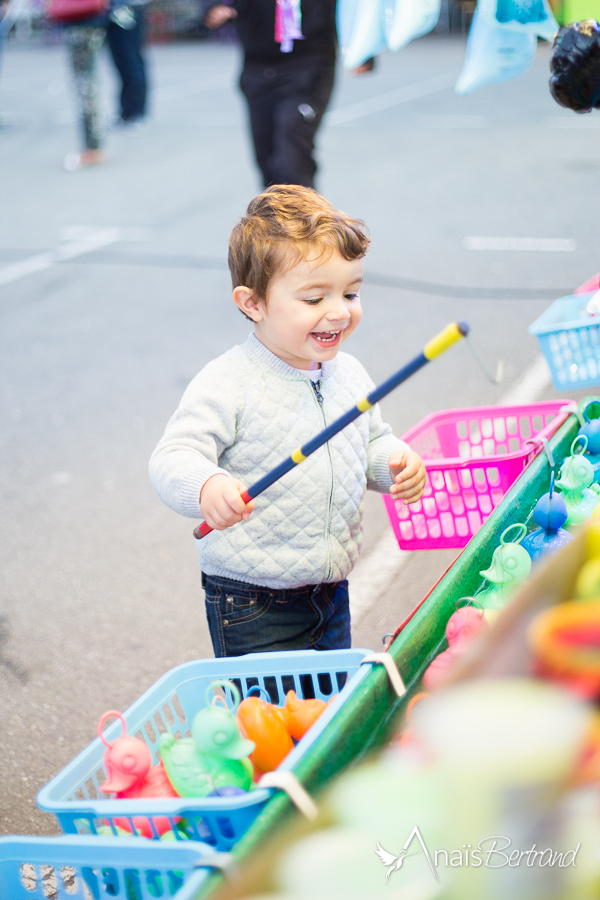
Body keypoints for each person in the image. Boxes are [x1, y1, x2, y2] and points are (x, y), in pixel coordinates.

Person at [149, 185, 426, 657]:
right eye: (314, 299)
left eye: (351, 292)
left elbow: (371, 439)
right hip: (252, 600)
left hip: (331, 588)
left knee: (326, 714)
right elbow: (173, 456)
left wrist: (394, 463)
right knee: (271, 721)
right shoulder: (228, 382)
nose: (339, 311)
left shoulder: (350, 373)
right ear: (253, 303)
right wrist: (207, 487)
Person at [203, 0, 373, 188]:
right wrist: (213, 6)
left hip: (309, 67)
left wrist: (363, 50)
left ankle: (302, 214)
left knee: (292, 149)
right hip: (258, 69)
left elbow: (352, 7)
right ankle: (275, 214)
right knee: (266, 158)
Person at [63, 12, 108, 170]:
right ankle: (93, 146)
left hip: (82, 23)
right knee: (86, 86)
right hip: (86, 23)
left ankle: (92, 148)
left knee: (85, 88)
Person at [107, 0, 149, 128]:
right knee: (122, 63)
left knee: (131, 62)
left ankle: (136, 113)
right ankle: (127, 112)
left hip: (127, 9)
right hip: (112, 9)